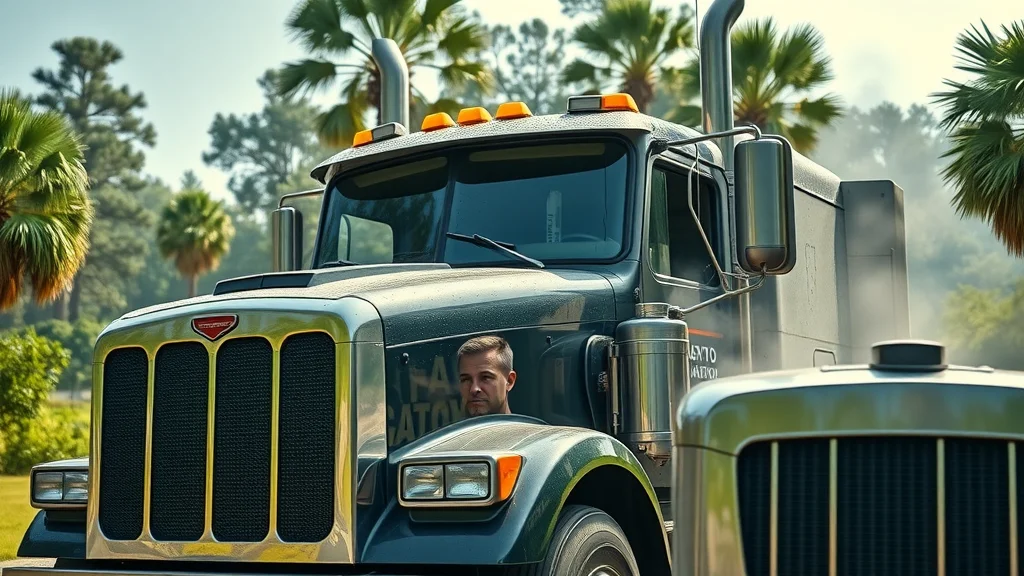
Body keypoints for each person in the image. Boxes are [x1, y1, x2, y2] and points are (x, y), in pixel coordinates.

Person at [457, 335, 517, 417]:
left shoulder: (534, 430)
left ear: (510, 381)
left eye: (485, 377)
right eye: (466, 379)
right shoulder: (451, 430)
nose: (474, 389)